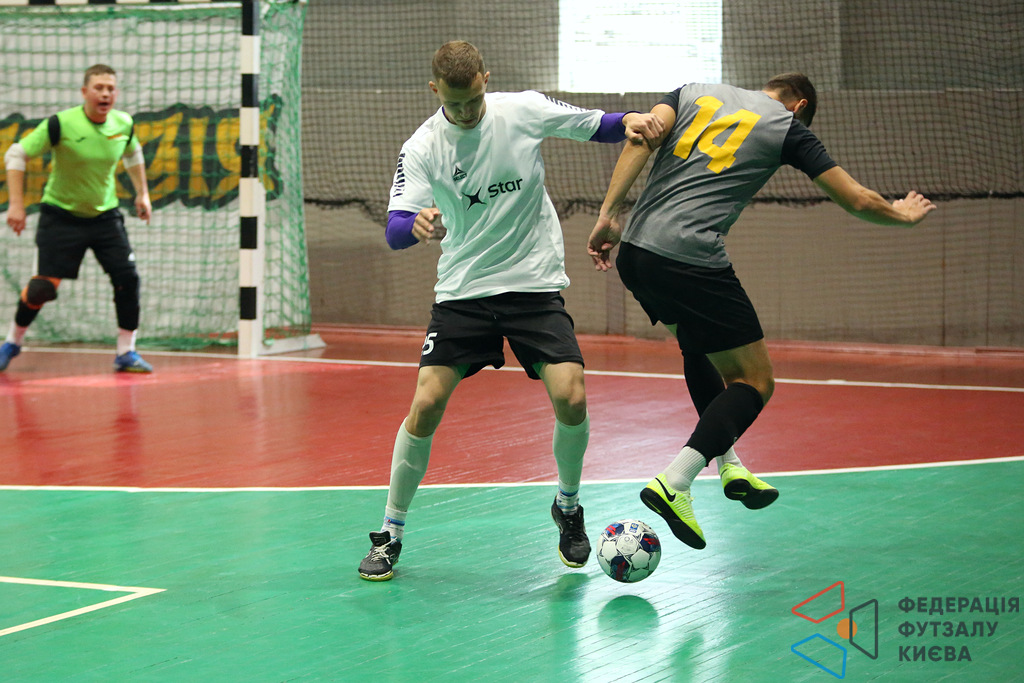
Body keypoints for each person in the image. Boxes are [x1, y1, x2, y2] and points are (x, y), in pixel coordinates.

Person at [587, 74, 935, 549]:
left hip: (637, 253)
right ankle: (675, 481)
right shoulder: (787, 127)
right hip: (690, 258)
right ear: (800, 105)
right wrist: (903, 215)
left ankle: (730, 465)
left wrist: (608, 213)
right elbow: (856, 199)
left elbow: (641, 136)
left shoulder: (692, 91)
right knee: (755, 380)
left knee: (699, 349)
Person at [358, 40, 664, 581]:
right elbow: (395, 228)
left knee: (572, 395)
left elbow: (595, 124)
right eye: (454, 103)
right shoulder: (422, 146)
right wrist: (415, 226)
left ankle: (568, 508)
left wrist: (632, 120)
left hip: (533, 285)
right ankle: (390, 533)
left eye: (473, 98)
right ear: (435, 91)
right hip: (464, 291)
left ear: (486, 78)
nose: (467, 112)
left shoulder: (521, 110)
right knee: (425, 404)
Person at [1, 63, 153, 373]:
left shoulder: (123, 123)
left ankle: (126, 351)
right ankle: (12, 342)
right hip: (61, 216)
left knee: (127, 279)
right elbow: (16, 154)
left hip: (105, 217)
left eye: (110, 88)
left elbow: (132, 153)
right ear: (85, 92)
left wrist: (142, 193)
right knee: (42, 289)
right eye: (99, 88)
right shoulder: (61, 124)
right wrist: (16, 205)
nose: (105, 94)